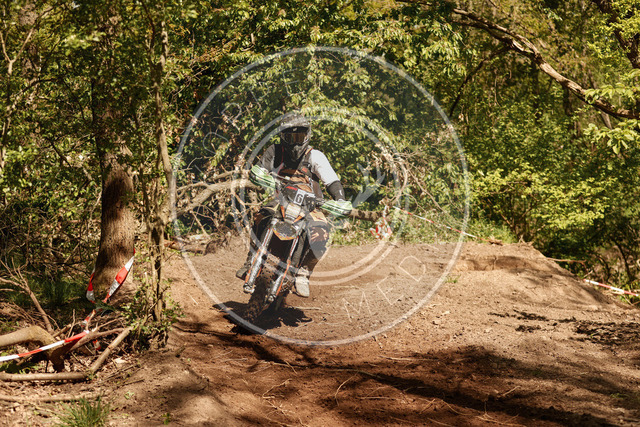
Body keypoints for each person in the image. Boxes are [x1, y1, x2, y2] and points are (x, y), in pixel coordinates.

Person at [236, 112, 348, 298]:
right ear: (282, 136)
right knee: (261, 216)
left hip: (310, 205)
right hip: (281, 200)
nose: (295, 143)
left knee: (320, 231)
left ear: (307, 135)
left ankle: (304, 272)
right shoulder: (274, 151)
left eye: (299, 137)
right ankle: (250, 260)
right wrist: (259, 175)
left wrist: (340, 200)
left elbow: (332, 181)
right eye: (290, 137)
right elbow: (260, 169)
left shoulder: (315, 156)